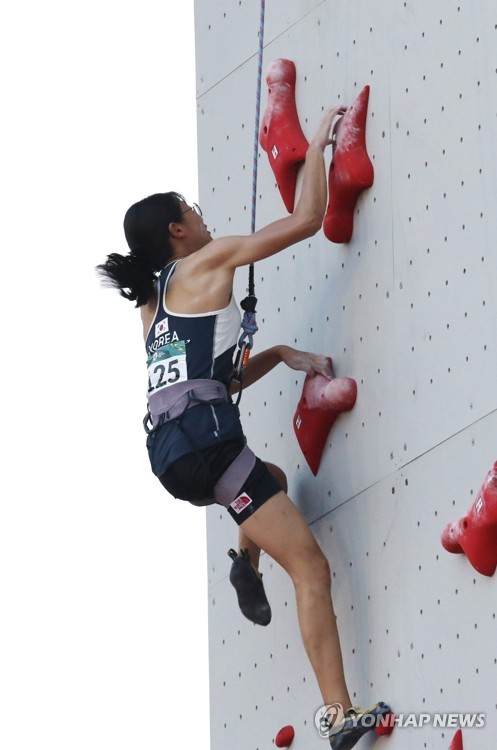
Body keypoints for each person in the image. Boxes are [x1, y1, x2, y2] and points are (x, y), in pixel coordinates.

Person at [97, 106, 390, 749]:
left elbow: (208, 384)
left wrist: (281, 355)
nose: (204, 216)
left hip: (173, 452)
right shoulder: (208, 260)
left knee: (273, 481)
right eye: (192, 209)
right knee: (311, 568)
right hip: (207, 445)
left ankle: (243, 563)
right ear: (179, 229)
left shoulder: (152, 305)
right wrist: (315, 149)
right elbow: (308, 220)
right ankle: (340, 719)